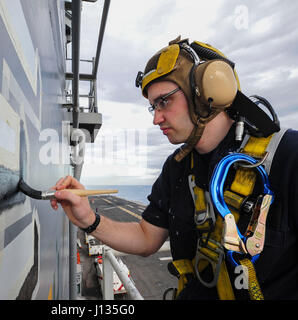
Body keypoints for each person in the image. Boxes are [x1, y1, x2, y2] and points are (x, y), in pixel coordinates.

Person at [50, 36, 298, 300]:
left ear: (208, 91)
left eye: (164, 101)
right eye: (153, 107)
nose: (156, 118)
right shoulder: (177, 167)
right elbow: (147, 238)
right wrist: (88, 219)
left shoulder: (287, 156)